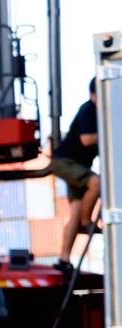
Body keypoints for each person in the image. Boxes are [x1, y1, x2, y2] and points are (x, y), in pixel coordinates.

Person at [53, 77, 99, 268]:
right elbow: (87, 139)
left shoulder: (100, 113)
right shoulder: (88, 109)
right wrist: (112, 130)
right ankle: (86, 221)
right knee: (97, 183)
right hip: (66, 162)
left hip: (79, 166)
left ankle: (64, 259)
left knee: (75, 210)